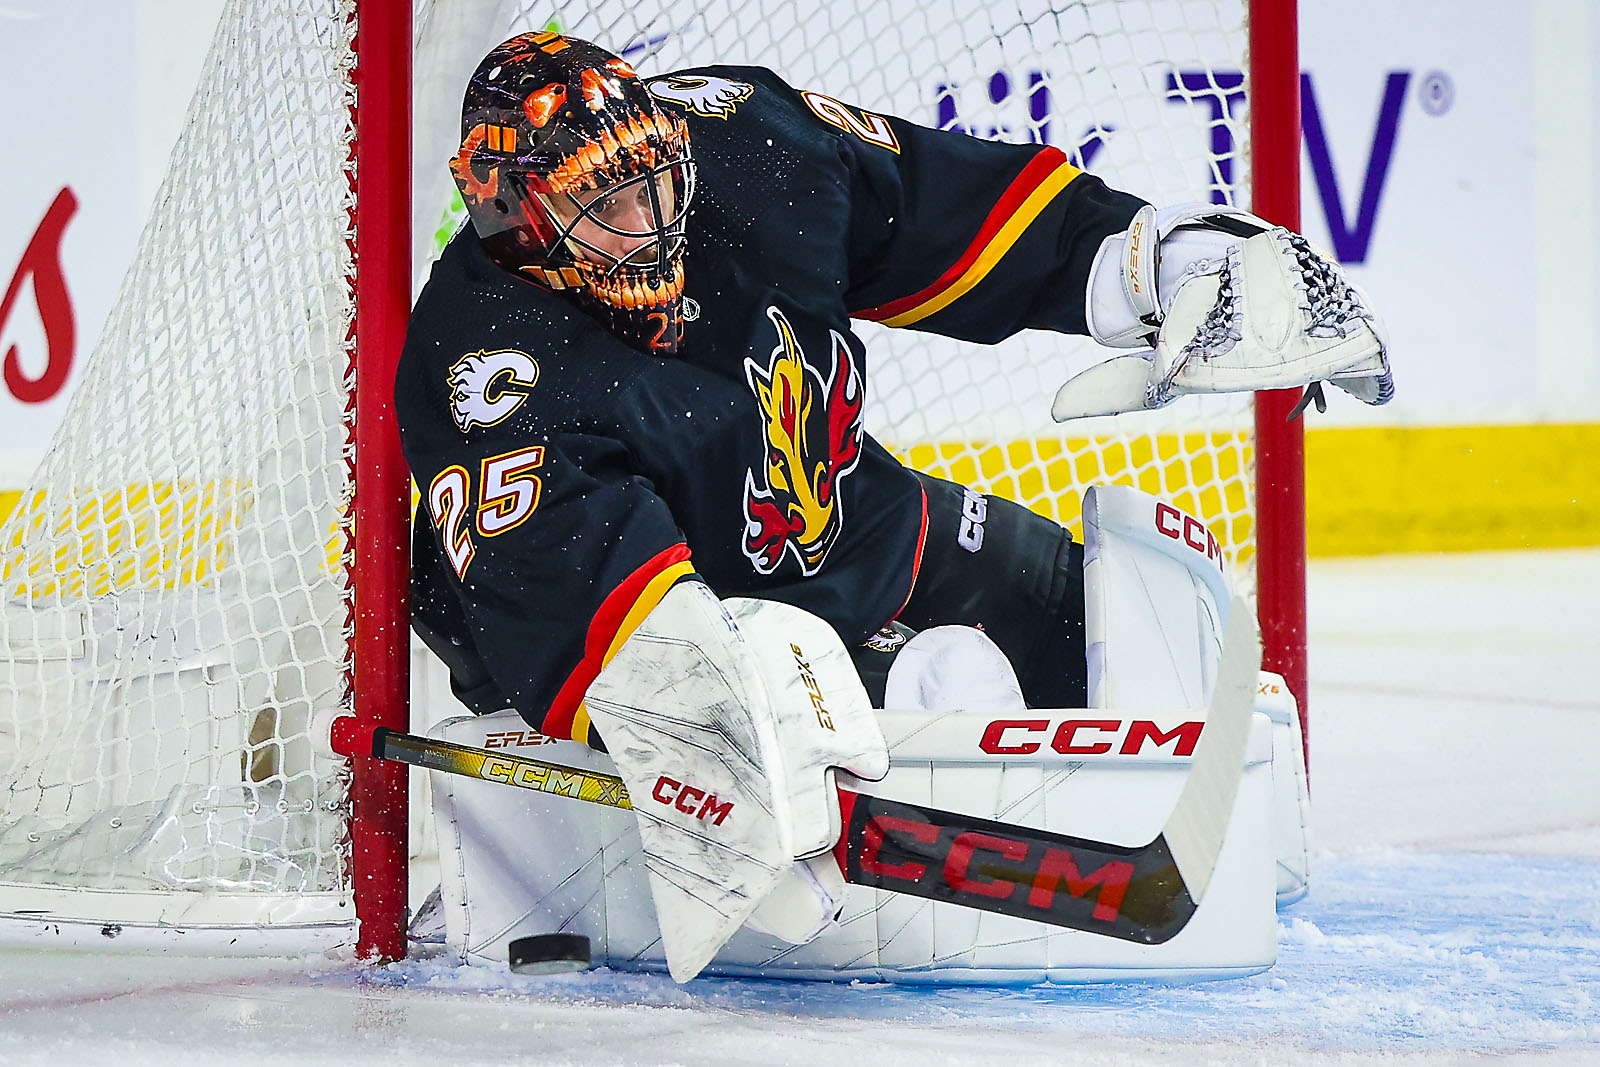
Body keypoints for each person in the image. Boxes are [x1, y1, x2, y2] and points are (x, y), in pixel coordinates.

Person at [394, 31, 1390, 976]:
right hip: (714, 610)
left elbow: (944, 207)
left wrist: (1152, 260)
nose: (653, 223)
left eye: (657, 181)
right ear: (516, 215)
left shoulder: (745, 140)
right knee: (948, 686)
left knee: (1156, 638)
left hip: (865, 523)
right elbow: (611, 625)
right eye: (606, 204)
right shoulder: (487, 365)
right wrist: (709, 724)